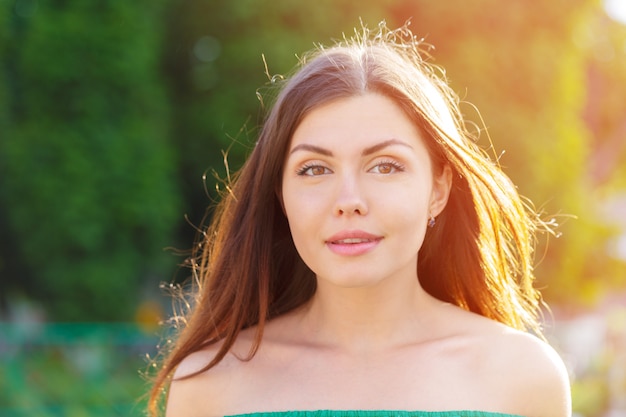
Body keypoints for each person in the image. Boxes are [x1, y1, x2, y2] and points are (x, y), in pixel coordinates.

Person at [148, 21, 571, 417]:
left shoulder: (523, 376)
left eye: (385, 166)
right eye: (314, 169)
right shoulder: (209, 385)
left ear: (438, 190)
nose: (348, 201)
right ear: (280, 196)